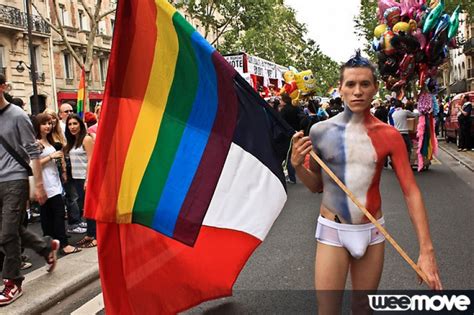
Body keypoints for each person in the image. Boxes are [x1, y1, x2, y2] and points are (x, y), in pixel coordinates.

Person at [291, 52, 442, 314]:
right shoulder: (320, 132)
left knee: (364, 308)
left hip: (372, 232)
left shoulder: (389, 136)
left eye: (364, 84)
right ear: (340, 89)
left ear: (375, 89)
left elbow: (411, 191)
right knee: (327, 310)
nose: (357, 91)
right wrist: (296, 165)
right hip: (332, 232)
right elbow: (316, 185)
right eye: (350, 84)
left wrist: (426, 252)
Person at [0, 74, 59, 305]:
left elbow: (33, 152)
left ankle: (13, 281)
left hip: (15, 178)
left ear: (3, 87)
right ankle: (45, 246)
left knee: (6, 234)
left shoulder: (17, 115)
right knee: (10, 229)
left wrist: (40, 186)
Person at [34, 113, 81, 256]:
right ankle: (62, 245)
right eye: (44, 123)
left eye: (50, 123)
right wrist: (51, 157)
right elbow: (33, 165)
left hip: (54, 183)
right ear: (38, 126)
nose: (48, 126)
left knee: (52, 215)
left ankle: (51, 245)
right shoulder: (36, 143)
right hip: (45, 185)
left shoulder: (48, 141)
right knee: (55, 214)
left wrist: (61, 169)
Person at [64, 114, 97, 248]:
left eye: (75, 124)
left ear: (81, 125)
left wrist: (88, 179)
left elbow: (91, 159)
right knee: (85, 208)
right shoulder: (72, 141)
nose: (72, 127)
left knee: (91, 208)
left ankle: (96, 236)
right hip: (77, 178)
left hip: (85, 178)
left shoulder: (86, 139)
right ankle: (90, 234)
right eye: (70, 124)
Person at [279, 93, 302, 184]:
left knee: (286, 155)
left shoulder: (283, 111)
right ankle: (293, 176)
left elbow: (280, 123)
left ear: (284, 101)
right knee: (292, 154)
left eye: (281, 100)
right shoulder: (296, 108)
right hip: (296, 133)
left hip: (286, 135)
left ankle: (290, 177)